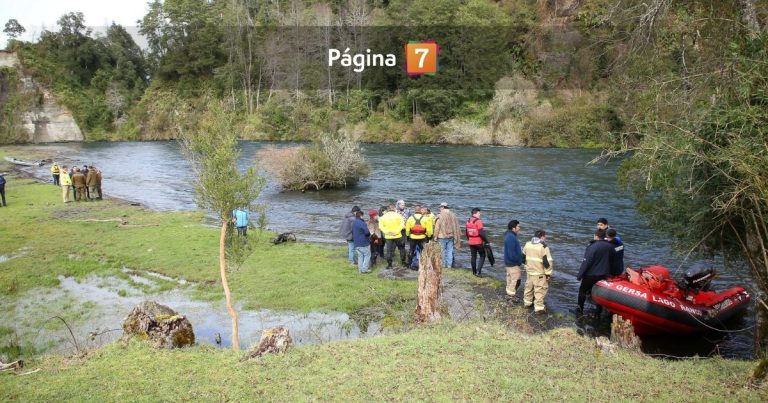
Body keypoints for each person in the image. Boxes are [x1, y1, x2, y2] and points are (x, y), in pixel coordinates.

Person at [576, 228, 616, 314]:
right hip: (604, 275)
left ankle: (579, 310)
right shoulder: (611, 247)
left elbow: (586, 262)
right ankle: (598, 311)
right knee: (599, 293)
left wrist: (580, 275)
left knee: (582, 291)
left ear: (596, 236)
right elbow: (613, 262)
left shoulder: (592, 246)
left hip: (590, 275)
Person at [522, 229, 553, 312]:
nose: (545, 239)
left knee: (528, 289)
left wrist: (526, 266)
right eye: (544, 237)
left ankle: (527, 303)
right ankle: (539, 309)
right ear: (542, 237)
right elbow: (547, 263)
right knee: (539, 290)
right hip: (539, 274)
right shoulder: (543, 247)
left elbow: (523, 258)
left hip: (529, 272)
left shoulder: (527, 244)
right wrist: (548, 275)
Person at [433, 202, 461, 269]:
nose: (439, 208)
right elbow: (456, 225)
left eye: (440, 207)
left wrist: (435, 236)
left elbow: (437, 227)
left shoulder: (440, 215)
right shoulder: (453, 215)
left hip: (442, 236)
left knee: (442, 251)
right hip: (451, 236)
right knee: (450, 251)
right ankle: (449, 266)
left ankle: (443, 265)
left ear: (443, 207)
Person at [379, 204, 406, 269]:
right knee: (401, 248)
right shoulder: (399, 216)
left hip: (388, 236)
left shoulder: (383, 217)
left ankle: (389, 265)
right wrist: (396, 232)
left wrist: (386, 232)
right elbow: (402, 225)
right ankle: (403, 262)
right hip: (397, 235)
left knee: (389, 251)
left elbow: (380, 227)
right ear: (394, 209)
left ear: (388, 209)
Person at [503, 220, 523, 301]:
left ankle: (509, 294)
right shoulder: (511, 237)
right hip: (512, 263)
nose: (519, 228)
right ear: (513, 228)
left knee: (510, 278)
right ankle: (511, 296)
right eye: (518, 226)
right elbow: (511, 253)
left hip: (508, 262)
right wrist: (518, 261)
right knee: (516, 280)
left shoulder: (509, 235)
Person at [465, 207, 487, 276]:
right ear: (476, 213)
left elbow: (466, 232)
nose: (480, 214)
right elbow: (481, 233)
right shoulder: (478, 221)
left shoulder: (468, 221)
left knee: (473, 256)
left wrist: (469, 239)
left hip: (471, 241)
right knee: (483, 255)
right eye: (479, 213)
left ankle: (474, 272)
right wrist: (486, 241)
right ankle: (478, 272)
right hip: (478, 241)